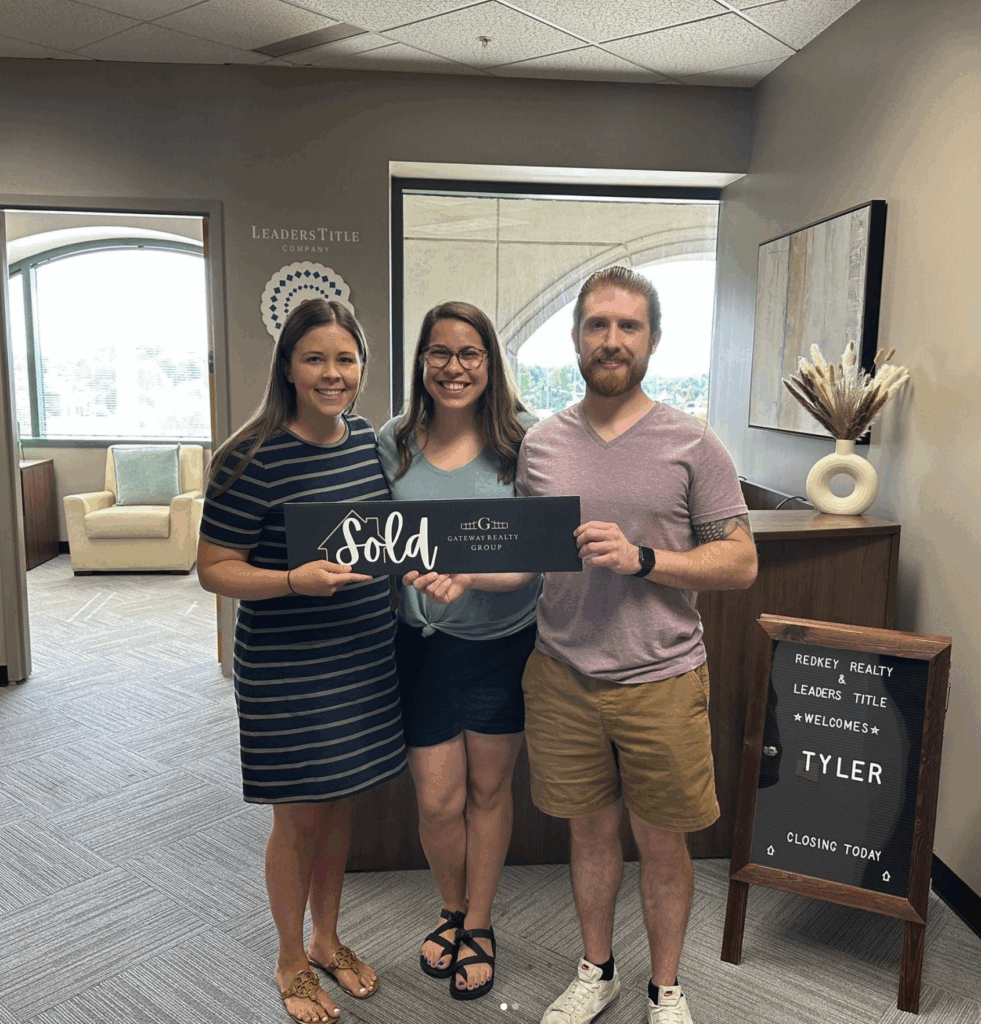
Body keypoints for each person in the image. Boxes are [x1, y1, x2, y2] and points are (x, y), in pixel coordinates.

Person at [516, 266, 758, 1024]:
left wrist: (645, 559)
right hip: (562, 674)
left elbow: (740, 563)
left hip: (662, 679)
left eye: (629, 326)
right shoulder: (541, 444)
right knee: (589, 836)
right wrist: (458, 576)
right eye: (598, 324)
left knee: (661, 844)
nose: (612, 340)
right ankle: (598, 973)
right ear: (576, 338)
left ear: (652, 340)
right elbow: (524, 557)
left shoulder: (693, 442)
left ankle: (665, 989)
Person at [197, 298, 406, 1024]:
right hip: (288, 667)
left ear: (362, 367)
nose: (331, 373)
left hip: (362, 657)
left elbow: (384, 539)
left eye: (345, 359)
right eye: (315, 358)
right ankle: (290, 958)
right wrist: (291, 579)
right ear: (287, 365)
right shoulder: (248, 455)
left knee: (340, 807)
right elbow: (213, 569)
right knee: (297, 821)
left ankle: (326, 939)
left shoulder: (365, 442)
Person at [377, 301, 540, 1002]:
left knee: (487, 792)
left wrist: (470, 573)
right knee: (439, 801)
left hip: (501, 645)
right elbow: (375, 538)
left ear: (490, 362)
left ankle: (478, 924)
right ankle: (450, 907)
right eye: (439, 353)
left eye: (469, 353)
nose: (454, 367)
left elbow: (534, 558)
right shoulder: (392, 440)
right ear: (421, 361)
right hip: (421, 646)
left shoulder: (525, 440)